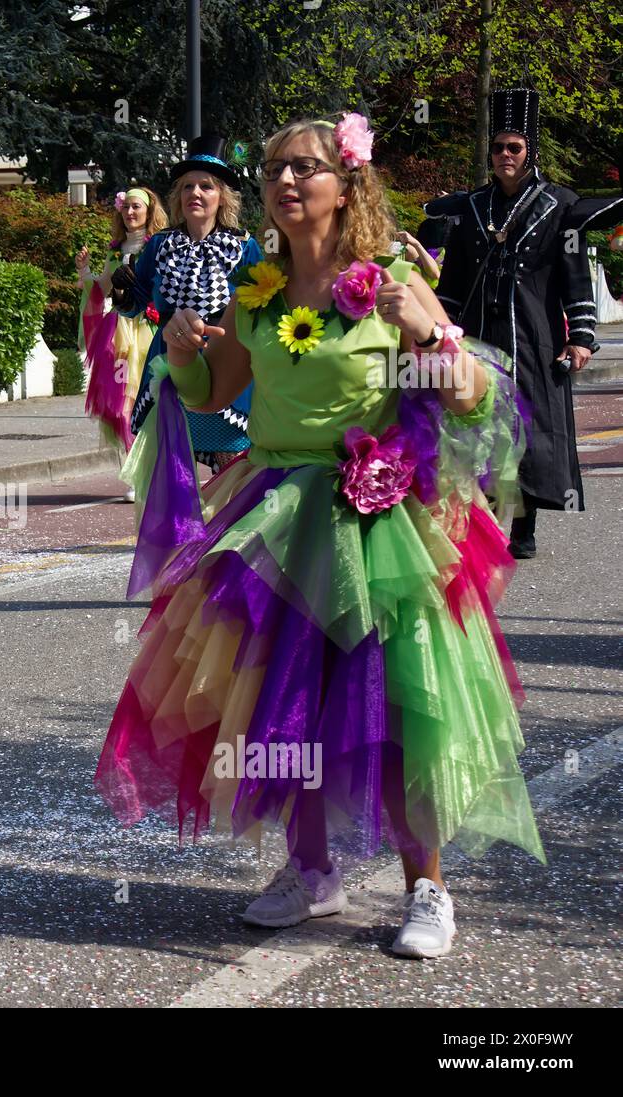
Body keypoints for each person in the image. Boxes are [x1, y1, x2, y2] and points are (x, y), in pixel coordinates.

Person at [96, 114, 543, 961]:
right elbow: (210, 392)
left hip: (381, 523)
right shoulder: (257, 286)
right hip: (275, 513)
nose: (284, 182)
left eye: (303, 167)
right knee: (286, 701)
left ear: (348, 184)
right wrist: (185, 352)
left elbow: (470, 396)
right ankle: (312, 870)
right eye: (272, 170)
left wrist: (432, 332)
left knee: (403, 704)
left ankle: (428, 886)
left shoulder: (390, 278)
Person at [433, 88, 602, 558]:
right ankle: (482, 521)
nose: (505, 156)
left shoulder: (560, 204)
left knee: (529, 429)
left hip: (534, 335)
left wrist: (582, 336)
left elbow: (575, 278)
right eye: (498, 147)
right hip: (477, 336)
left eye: (515, 148)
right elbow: (453, 279)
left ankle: (524, 530)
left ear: (530, 153)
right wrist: (437, 331)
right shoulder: (471, 207)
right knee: (477, 424)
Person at [115, 134, 264, 481]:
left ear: (222, 196)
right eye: (188, 187)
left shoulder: (244, 246)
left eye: (206, 187)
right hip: (168, 360)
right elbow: (135, 303)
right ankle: (177, 535)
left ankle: (231, 534)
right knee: (171, 469)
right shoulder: (160, 245)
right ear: (178, 197)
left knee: (233, 466)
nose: (195, 193)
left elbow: (262, 308)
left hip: (225, 361)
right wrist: (122, 294)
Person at [75, 186, 167, 465]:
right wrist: (84, 271)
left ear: (149, 211)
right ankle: (133, 469)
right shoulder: (115, 251)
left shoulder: (159, 246)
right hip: (118, 332)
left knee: (152, 400)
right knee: (121, 404)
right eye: (125, 207)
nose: (129, 212)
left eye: (135, 207)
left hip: (149, 329)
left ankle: (153, 467)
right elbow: (103, 288)